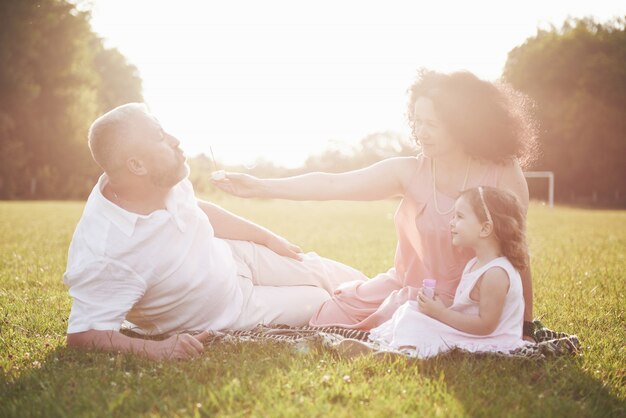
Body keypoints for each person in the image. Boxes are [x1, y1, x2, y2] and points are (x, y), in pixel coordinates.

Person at [212, 69, 538, 339]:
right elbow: (332, 183)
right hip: (411, 292)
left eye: (433, 124)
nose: (421, 133)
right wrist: (260, 186)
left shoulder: (502, 171)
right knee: (330, 315)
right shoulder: (409, 170)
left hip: (470, 306)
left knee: (411, 331)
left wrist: (525, 327)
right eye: (417, 122)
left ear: (460, 124)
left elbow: (516, 254)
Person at [63, 103, 367, 360]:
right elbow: (84, 335)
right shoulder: (107, 251)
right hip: (234, 309)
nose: (175, 140)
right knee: (319, 302)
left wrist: (267, 238)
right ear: (136, 165)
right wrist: (161, 350)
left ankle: (407, 304)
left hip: (239, 258)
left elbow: (196, 209)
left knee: (341, 278)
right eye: (159, 137)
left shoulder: (160, 177)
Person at [366, 186, 530, 358]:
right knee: (410, 310)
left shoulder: (496, 273)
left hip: (493, 341)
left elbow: (485, 325)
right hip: (474, 333)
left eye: (459, 217)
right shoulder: (475, 264)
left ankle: (400, 351)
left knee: (412, 320)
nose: (451, 223)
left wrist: (440, 313)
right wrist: (438, 303)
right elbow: (467, 308)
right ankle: (388, 346)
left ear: (485, 228)